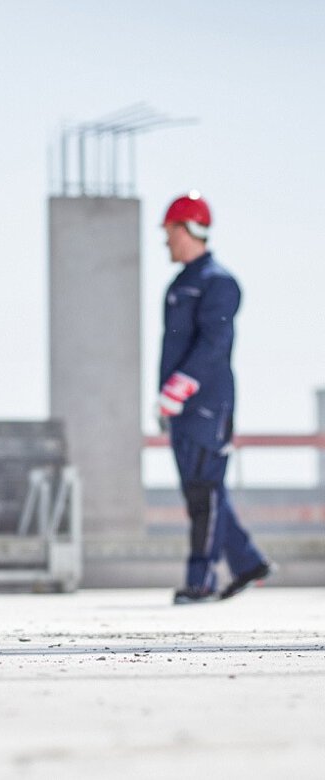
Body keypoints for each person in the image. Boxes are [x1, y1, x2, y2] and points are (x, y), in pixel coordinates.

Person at [157, 191, 272, 605]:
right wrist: (167, 399)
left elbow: (215, 342)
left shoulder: (218, 282)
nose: (164, 240)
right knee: (204, 491)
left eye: (169, 230)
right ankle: (248, 564)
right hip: (183, 409)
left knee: (204, 494)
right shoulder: (180, 283)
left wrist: (179, 387)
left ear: (186, 229)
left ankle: (200, 581)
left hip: (207, 407)